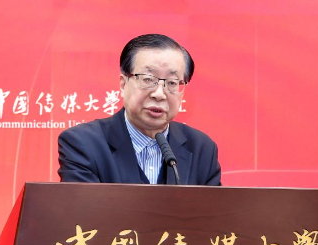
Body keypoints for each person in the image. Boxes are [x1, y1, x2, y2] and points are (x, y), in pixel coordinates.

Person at [57, 34, 221, 185]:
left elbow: (214, 207)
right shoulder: (83, 143)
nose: (159, 94)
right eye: (148, 79)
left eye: (172, 82)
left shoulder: (202, 149)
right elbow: (84, 207)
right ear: (123, 84)